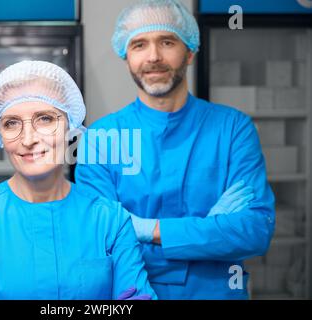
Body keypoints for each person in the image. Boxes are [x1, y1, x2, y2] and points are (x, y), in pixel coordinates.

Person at [75, 0, 275, 299]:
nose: (153, 56)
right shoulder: (100, 138)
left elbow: (255, 232)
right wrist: (210, 230)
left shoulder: (233, 128)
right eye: (139, 44)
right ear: (126, 56)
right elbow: (102, 238)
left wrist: (148, 230)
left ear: (190, 51)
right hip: (136, 292)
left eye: (167, 42)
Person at [0, 60, 156, 300]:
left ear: (70, 126)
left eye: (45, 119)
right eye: (11, 123)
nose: (28, 139)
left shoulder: (110, 220)